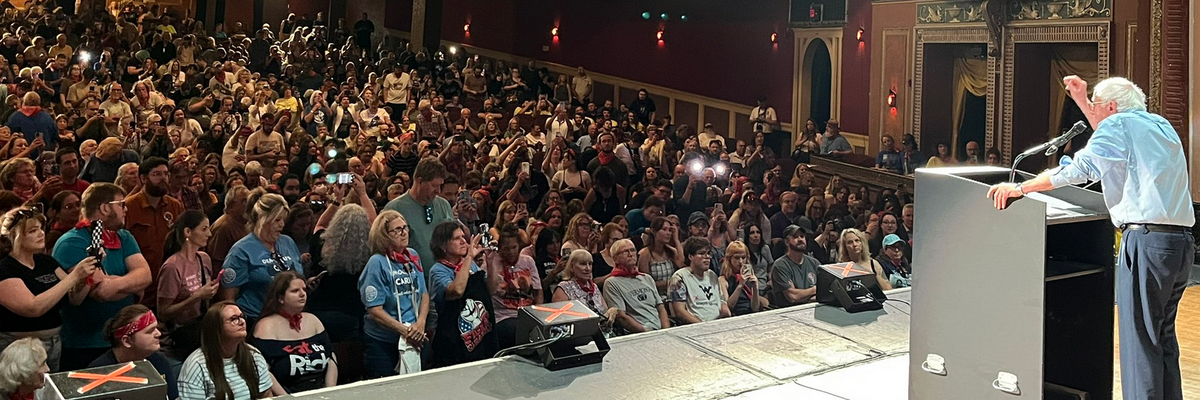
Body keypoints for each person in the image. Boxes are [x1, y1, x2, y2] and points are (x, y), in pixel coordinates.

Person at [987, 76, 1195, 400]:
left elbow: (1079, 169)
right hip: (1178, 245)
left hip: (1145, 241)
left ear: (1111, 107)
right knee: (1161, 340)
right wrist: (1084, 100)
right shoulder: (1160, 126)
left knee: (1139, 345)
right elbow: (1109, 133)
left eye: (1095, 106)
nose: (1091, 114)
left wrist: (1020, 187)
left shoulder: (1117, 127)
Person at [53, 183, 151, 371]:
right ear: (105, 208)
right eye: (121, 204)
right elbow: (100, 292)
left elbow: (145, 276)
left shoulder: (124, 237)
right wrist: (130, 284)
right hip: (85, 345)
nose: (126, 209)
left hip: (123, 343)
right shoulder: (72, 242)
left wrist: (114, 282)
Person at [0, 207, 98, 372]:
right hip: (20, 346)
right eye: (32, 230)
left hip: (54, 341)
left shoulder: (46, 262)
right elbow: (33, 307)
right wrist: (74, 276)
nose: (41, 233)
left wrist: (87, 275)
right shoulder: (5, 268)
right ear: (14, 236)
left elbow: (75, 298)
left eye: (41, 228)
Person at [218, 189, 304, 328]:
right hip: (256, 320)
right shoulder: (241, 251)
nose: (282, 225)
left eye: (283, 220)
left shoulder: (287, 242)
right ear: (262, 219)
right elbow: (229, 297)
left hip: (291, 319)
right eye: (277, 220)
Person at [359, 210, 428, 377]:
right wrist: (405, 332)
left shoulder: (412, 256)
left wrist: (420, 323)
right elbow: (375, 310)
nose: (404, 233)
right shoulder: (377, 262)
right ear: (384, 235)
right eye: (397, 230)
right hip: (384, 341)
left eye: (405, 227)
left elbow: (424, 294)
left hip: (414, 335)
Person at [250, 272, 337, 393]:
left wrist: (330, 392)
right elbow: (264, 370)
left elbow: (331, 358)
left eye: (304, 289)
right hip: (286, 393)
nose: (302, 294)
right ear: (280, 298)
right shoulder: (266, 327)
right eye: (295, 291)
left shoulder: (314, 320)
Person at [428, 222, 497, 367]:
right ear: (442, 246)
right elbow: (457, 291)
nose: (463, 241)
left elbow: (491, 290)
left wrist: (490, 262)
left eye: (463, 236)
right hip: (454, 342)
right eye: (456, 238)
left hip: (482, 336)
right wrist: (469, 258)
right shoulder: (438, 270)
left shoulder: (469, 264)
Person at [178, 302, 280, 400]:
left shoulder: (253, 355)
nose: (242, 322)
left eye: (242, 316)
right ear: (216, 328)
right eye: (234, 319)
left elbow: (266, 396)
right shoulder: (196, 365)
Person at [125, 157, 186, 309]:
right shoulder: (128, 207)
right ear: (143, 178)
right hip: (141, 285)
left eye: (165, 174)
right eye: (157, 174)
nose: (163, 179)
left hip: (169, 282)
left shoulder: (175, 206)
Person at [158, 210, 218, 359]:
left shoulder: (203, 259)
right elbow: (163, 312)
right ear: (188, 232)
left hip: (202, 327)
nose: (209, 234)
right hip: (182, 334)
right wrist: (196, 296)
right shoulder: (172, 267)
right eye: (204, 229)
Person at [88, 305, 178, 400]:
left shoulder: (159, 362)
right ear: (127, 341)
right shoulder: (96, 373)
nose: (158, 334)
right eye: (150, 331)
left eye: (156, 328)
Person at [383, 157, 454, 269]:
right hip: (411, 277)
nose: (439, 191)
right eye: (434, 186)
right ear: (420, 181)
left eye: (440, 186)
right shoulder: (394, 209)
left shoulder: (443, 205)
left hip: (445, 278)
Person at [601, 239, 669, 334]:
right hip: (639, 333)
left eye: (633, 250)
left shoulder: (647, 278)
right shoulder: (612, 283)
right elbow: (621, 316)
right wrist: (645, 330)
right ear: (615, 258)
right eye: (625, 251)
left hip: (660, 329)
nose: (630, 254)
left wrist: (666, 330)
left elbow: (660, 307)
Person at [668, 237, 730, 324]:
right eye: (702, 253)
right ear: (690, 256)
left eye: (709, 253)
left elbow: (721, 299)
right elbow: (680, 312)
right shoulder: (679, 278)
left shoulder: (712, 275)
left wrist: (724, 306)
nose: (707, 257)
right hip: (696, 325)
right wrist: (702, 326)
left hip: (718, 322)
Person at [551, 249, 617, 326]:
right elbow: (559, 321)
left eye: (590, 264)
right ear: (572, 267)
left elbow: (604, 312)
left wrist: (612, 312)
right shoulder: (563, 288)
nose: (588, 268)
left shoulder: (593, 286)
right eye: (583, 264)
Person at [769, 225, 819, 307]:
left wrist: (801, 294)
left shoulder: (814, 263)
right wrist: (814, 290)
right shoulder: (780, 265)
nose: (800, 239)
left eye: (802, 236)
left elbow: (824, 293)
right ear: (786, 242)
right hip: (788, 313)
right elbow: (792, 297)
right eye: (795, 237)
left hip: (813, 309)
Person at [718, 241, 764, 316]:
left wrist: (755, 287)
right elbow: (728, 307)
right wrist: (740, 285)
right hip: (735, 315)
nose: (740, 261)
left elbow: (755, 308)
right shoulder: (723, 280)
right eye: (736, 258)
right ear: (729, 259)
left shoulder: (749, 277)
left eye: (743, 257)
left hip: (750, 314)